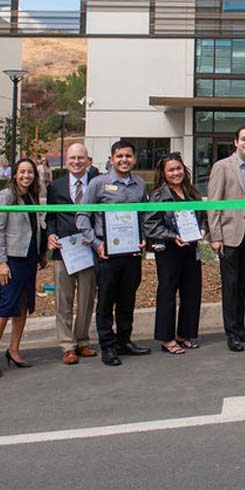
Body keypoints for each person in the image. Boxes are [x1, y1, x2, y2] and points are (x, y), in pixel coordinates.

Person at [77, 139, 151, 367]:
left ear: (134, 159)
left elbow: (143, 217)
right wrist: (96, 243)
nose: (124, 160)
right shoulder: (98, 184)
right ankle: (107, 346)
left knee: (127, 299)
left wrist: (144, 239)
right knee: (106, 301)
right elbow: (81, 216)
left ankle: (124, 341)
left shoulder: (140, 184)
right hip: (107, 254)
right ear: (111, 159)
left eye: (128, 156)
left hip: (131, 254)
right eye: (119, 156)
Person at [0, 157, 46, 377]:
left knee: (23, 304)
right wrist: (1, 262)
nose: (26, 176)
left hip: (29, 257)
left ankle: (14, 349)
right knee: (6, 305)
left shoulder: (31, 196)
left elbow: (34, 226)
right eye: (22, 172)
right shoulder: (5, 196)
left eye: (30, 172)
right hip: (12, 259)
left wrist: (41, 254)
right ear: (14, 174)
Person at [206, 126, 245, 352]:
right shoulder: (223, 167)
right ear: (236, 142)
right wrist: (216, 236)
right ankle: (231, 334)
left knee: (241, 285)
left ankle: (240, 328)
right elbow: (214, 202)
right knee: (230, 286)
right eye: (244, 139)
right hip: (229, 235)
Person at [144, 154, 205, 354]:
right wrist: (172, 236)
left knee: (191, 292)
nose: (176, 173)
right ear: (163, 173)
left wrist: (203, 230)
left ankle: (184, 334)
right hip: (170, 250)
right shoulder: (158, 195)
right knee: (168, 293)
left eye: (178, 168)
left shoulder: (191, 192)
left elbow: (202, 215)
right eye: (171, 170)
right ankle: (166, 338)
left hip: (191, 248)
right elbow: (150, 225)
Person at [45, 142, 100, 365]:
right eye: (72, 158)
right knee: (63, 300)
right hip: (64, 250)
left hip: (89, 248)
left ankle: (82, 340)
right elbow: (50, 216)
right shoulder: (55, 187)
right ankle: (67, 345)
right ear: (66, 161)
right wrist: (50, 234)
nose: (76, 162)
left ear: (88, 161)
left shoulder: (97, 184)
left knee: (87, 298)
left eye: (80, 158)